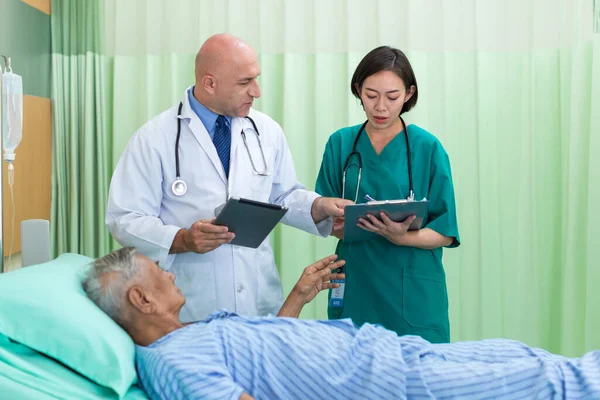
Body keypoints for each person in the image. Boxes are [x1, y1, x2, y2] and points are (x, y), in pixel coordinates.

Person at [83, 247, 600, 400]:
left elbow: (266, 359)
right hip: (386, 385)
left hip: (389, 355)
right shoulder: (170, 361)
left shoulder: (190, 333)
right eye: (159, 273)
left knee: (523, 356)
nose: (170, 272)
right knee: (546, 382)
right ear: (140, 299)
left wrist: (298, 297)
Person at [106, 33, 351, 322]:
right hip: (191, 306)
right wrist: (182, 239)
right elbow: (124, 219)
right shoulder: (154, 138)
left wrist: (317, 206)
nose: (256, 91)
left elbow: (282, 196)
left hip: (257, 298)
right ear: (210, 83)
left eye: (256, 79)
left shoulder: (266, 131)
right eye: (245, 82)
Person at [315, 46, 460, 343]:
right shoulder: (340, 144)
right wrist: (336, 223)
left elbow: (445, 232)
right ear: (358, 89)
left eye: (392, 97)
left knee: (417, 381)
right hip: (356, 284)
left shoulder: (428, 148)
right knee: (354, 381)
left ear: (408, 94)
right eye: (371, 95)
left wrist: (401, 237)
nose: (381, 107)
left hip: (413, 294)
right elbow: (321, 214)